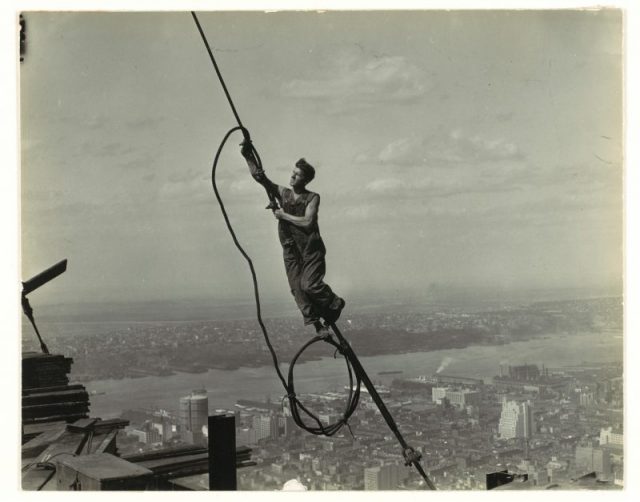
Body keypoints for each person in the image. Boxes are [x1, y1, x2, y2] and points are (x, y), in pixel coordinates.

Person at [241, 141, 345, 337]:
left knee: (310, 286)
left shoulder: (312, 197)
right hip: (290, 248)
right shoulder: (284, 193)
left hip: (310, 249)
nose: (292, 176)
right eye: (293, 172)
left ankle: (334, 302)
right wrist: (247, 155)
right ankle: (318, 326)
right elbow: (261, 178)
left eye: (297, 174)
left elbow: (307, 222)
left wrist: (283, 216)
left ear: (305, 180)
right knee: (297, 290)